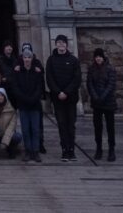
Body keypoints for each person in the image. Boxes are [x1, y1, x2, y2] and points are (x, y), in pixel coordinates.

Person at [46, 34, 82, 162]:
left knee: (70, 124)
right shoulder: (51, 60)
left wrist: (66, 92)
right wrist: (58, 92)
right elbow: (49, 78)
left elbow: (77, 79)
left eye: (63, 42)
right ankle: (64, 150)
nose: (61, 45)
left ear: (66, 44)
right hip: (57, 99)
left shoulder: (73, 60)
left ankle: (71, 149)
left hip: (71, 98)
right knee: (61, 124)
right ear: (56, 44)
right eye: (59, 42)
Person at [15, 41, 47, 154]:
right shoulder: (18, 68)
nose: (27, 59)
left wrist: (34, 98)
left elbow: (39, 85)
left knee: (36, 127)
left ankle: (37, 148)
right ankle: (28, 150)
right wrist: (23, 98)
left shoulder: (37, 67)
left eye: (29, 57)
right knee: (25, 128)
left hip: (35, 103)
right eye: (25, 56)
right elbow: (16, 86)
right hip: (23, 103)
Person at [87, 48, 117, 162]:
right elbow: (89, 83)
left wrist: (103, 96)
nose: (98, 58)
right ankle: (99, 149)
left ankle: (111, 150)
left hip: (108, 102)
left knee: (110, 127)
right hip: (97, 103)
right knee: (97, 127)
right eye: (96, 57)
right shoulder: (92, 69)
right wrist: (95, 96)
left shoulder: (110, 69)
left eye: (100, 56)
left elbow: (111, 85)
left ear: (103, 57)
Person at [0, 87, 22, 159]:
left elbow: (11, 127)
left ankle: (11, 150)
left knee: (17, 137)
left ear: (5, 97)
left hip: (7, 133)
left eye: (2, 95)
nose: (0, 97)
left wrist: (4, 142)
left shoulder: (11, 110)